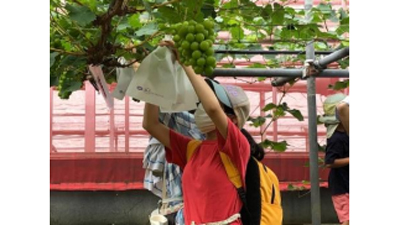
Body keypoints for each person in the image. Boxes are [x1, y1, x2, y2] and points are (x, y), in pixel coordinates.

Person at [142, 40, 251, 225]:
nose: (202, 107)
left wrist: (185, 62)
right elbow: (150, 124)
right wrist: (156, 80)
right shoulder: (192, 149)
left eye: (215, 102)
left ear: (232, 119)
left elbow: (213, 110)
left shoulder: (237, 147)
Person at [320, 93, 349, 225]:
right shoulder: (336, 138)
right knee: (347, 219)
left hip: (347, 183)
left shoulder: (347, 135)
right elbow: (330, 162)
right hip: (342, 186)